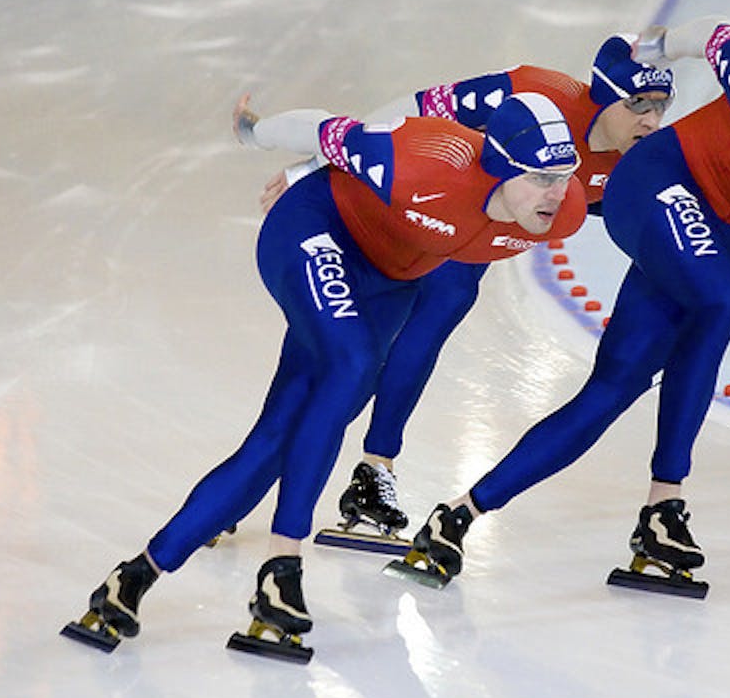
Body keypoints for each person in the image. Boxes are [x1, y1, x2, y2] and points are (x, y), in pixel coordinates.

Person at [395, 18, 730, 592]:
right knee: (725, 297)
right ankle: (667, 501)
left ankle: (458, 515)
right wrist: (650, 46)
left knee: (616, 386)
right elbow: (716, 38)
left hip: (723, 228)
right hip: (657, 184)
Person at [61, 91, 589, 661]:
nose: (556, 193)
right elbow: (326, 130)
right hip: (315, 232)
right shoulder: (421, 160)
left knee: (279, 438)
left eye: (564, 176)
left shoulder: (567, 208)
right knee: (354, 364)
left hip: (390, 281)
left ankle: (134, 578)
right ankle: (281, 565)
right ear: (501, 166)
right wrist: (260, 136)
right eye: (540, 177)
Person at [260, 35, 676, 543]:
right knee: (402, 324)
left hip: (484, 231)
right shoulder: (534, 92)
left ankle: (370, 467)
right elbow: (408, 114)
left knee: (443, 303)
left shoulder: (638, 159)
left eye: (661, 106)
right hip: (431, 206)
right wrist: (320, 165)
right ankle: (286, 473)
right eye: (638, 105)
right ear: (604, 97)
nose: (652, 120)